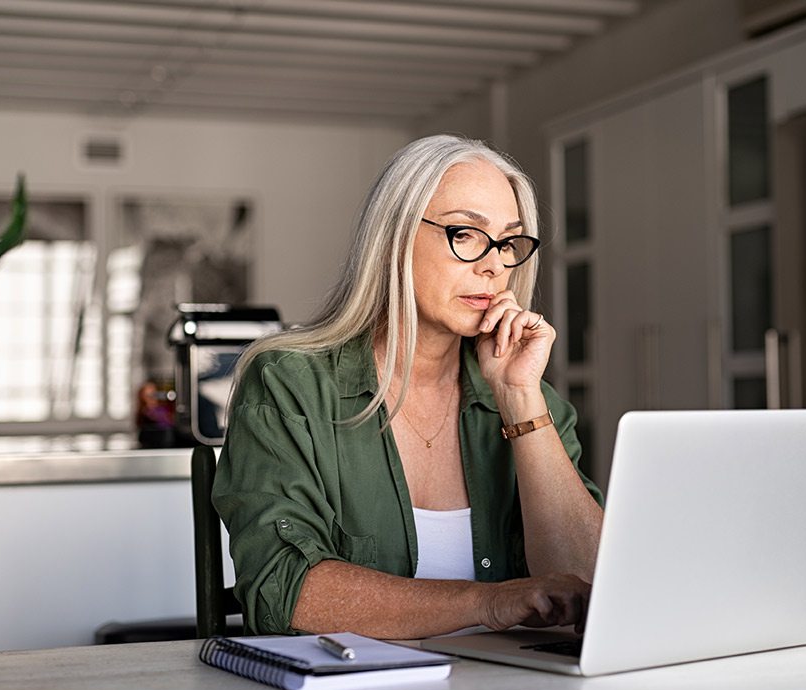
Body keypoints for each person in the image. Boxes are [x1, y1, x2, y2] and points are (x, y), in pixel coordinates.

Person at [213, 134, 604, 639]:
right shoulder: (290, 384)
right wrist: (488, 602)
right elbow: (283, 592)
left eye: (508, 242)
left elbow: (593, 587)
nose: (495, 265)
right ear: (394, 236)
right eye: (465, 233)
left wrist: (519, 401)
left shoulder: (531, 401)